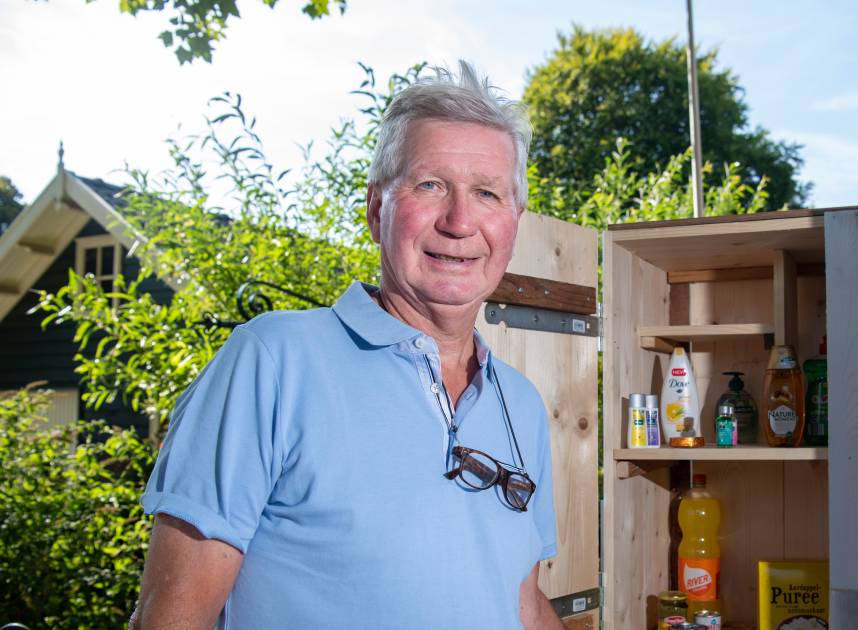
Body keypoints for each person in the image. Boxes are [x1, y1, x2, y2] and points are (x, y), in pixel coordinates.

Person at [129, 61, 563, 629]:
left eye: (487, 193)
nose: (460, 221)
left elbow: (521, 602)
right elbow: (173, 619)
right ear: (375, 206)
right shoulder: (273, 362)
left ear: (514, 221)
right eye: (430, 185)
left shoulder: (520, 403)